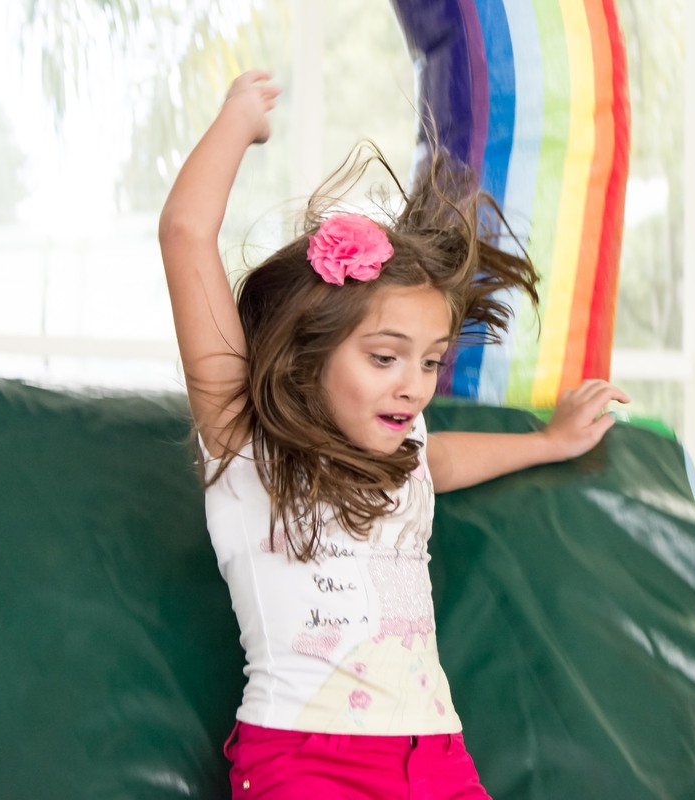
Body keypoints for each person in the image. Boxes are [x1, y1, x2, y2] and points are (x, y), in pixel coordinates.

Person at [159, 69, 629, 800]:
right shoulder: (250, 448)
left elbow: (438, 460)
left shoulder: (404, 452)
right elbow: (186, 233)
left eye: (431, 361)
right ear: (310, 354)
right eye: (385, 357)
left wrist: (549, 441)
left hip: (435, 754)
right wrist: (238, 120)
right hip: (305, 758)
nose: (414, 384)